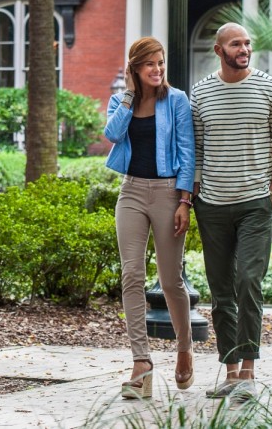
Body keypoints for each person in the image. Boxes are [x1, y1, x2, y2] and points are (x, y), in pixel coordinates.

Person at [191, 22, 272, 400]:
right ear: (219, 50)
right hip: (213, 205)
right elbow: (197, 151)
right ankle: (231, 372)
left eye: (247, 43)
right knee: (221, 291)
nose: (244, 49)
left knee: (248, 281)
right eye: (236, 44)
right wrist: (195, 194)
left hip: (255, 203)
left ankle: (248, 374)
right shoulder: (200, 94)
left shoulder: (270, 88)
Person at [104, 36, 196, 399]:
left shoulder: (176, 101)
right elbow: (112, 133)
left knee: (171, 280)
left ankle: (185, 347)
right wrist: (129, 96)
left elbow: (187, 151)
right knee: (131, 274)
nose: (157, 70)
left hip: (168, 193)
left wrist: (185, 201)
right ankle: (141, 363)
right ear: (135, 69)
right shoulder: (120, 100)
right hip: (131, 192)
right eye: (149, 64)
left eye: (160, 63)